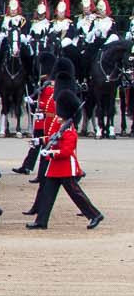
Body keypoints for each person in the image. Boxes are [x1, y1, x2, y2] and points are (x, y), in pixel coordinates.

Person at [26, 88, 105, 230]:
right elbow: (53, 138)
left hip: (65, 167)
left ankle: (94, 215)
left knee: (76, 194)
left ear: (64, 115)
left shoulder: (70, 132)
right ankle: (41, 221)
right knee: (47, 194)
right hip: (56, 167)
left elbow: (66, 152)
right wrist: (38, 141)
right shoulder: (62, 128)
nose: (56, 116)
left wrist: (50, 154)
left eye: (59, 114)